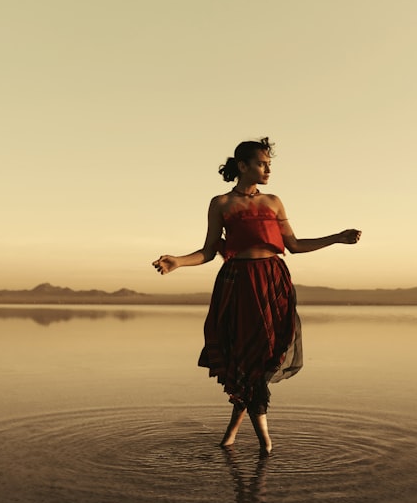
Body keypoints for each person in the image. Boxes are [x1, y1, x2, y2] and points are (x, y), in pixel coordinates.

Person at [152, 138, 361, 455]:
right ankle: (265, 444)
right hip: (238, 285)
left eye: (269, 164)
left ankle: (234, 436)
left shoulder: (274, 202)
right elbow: (209, 251)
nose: (268, 169)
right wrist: (178, 261)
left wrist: (337, 238)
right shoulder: (221, 203)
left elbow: (294, 245)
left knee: (265, 357)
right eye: (262, 163)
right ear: (243, 166)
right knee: (246, 359)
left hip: (273, 284)